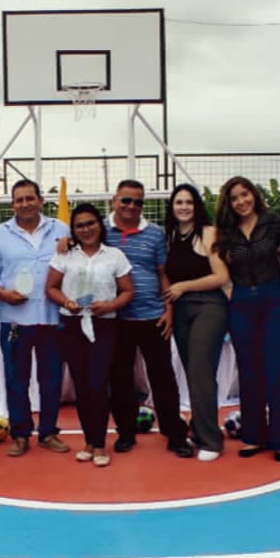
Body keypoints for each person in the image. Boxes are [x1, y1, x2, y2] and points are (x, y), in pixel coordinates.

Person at [106, 179, 193, 458]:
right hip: (116, 318)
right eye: (126, 200)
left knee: (163, 377)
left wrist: (168, 310)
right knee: (120, 379)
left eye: (138, 202)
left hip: (153, 316)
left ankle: (174, 434)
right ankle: (125, 432)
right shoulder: (101, 231)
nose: (132, 206)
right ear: (114, 200)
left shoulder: (155, 234)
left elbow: (162, 273)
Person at [215, 176, 280, 462]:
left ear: (254, 194)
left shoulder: (274, 223)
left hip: (276, 301)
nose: (241, 201)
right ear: (228, 204)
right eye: (234, 198)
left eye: (245, 194)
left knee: (276, 371)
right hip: (241, 304)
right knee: (249, 372)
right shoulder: (225, 232)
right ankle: (253, 436)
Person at [46, 203, 134, 468]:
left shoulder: (114, 255)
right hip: (72, 325)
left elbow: (128, 291)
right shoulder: (64, 255)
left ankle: (100, 443)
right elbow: (51, 287)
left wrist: (109, 306)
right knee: (82, 385)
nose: (86, 229)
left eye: (90, 223)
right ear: (73, 230)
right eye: (80, 225)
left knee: (98, 383)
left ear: (100, 225)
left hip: (104, 325)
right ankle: (89, 441)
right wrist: (66, 302)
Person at [0, 179, 70, 457]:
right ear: (12, 204)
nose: (25, 204)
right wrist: (2, 292)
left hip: (52, 318)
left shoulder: (61, 229)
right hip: (14, 319)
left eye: (30, 198)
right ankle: (20, 434)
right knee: (16, 380)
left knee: (51, 379)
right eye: (19, 200)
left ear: (41, 200)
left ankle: (48, 432)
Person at [162, 184, 229, 462]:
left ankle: (212, 439)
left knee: (201, 370)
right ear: (172, 206)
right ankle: (200, 430)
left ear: (197, 205)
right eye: (179, 202)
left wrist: (184, 286)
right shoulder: (169, 236)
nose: (184, 207)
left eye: (189, 202)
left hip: (209, 305)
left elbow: (221, 276)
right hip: (181, 311)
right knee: (192, 373)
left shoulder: (208, 233)